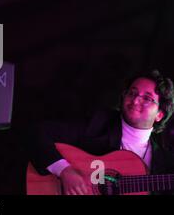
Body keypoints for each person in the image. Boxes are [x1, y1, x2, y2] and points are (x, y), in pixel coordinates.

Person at [27, 69, 174, 195]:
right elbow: (38, 132)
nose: (135, 101)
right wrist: (64, 170)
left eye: (147, 98)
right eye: (132, 93)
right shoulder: (99, 123)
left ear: (160, 114)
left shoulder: (164, 162)